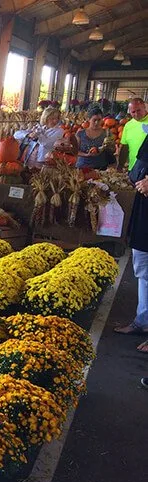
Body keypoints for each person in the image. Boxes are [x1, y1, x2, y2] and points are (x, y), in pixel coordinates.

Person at [115, 99, 148, 362]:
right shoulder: (132, 128)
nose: (135, 114)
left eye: (138, 110)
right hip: (144, 210)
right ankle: (142, 320)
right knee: (142, 267)